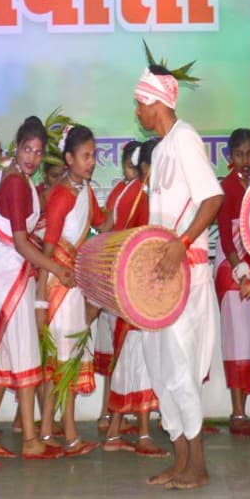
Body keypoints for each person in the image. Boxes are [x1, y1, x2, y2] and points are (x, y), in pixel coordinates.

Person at [133, 45, 223, 489]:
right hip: (162, 281)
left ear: (155, 101)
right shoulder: (163, 147)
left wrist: (181, 243)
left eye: (139, 103)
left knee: (182, 368)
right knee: (162, 368)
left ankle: (198, 466)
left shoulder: (185, 138)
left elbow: (213, 198)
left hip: (187, 275)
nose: (137, 111)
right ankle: (181, 460)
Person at [0, 116, 75, 460]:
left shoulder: (11, 175)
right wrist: (57, 268)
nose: (32, 157)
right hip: (10, 277)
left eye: (38, 151)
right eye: (27, 149)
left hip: (3, 272)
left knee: (6, 359)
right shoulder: (16, 183)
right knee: (23, 357)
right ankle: (31, 440)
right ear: (16, 147)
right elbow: (20, 243)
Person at [35, 124, 103, 457]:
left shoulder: (85, 190)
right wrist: (40, 301)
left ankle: (49, 431)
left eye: (93, 155)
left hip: (73, 286)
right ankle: (70, 434)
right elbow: (46, 253)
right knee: (63, 362)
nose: (91, 162)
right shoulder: (62, 195)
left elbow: (103, 224)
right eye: (85, 156)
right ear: (69, 159)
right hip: (58, 287)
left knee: (64, 362)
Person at [103, 138, 165, 458]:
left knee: (128, 357)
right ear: (149, 166)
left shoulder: (128, 192)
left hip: (126, 284)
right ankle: (142, 434)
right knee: (139, 358)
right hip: (139, 286)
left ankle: (114, 431)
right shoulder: (144, 195)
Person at [216, 128, 250, 436]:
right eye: (239, 155)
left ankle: (243, 412)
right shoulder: (225, 188)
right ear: (230, 156)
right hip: (231, 271)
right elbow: (226, 238)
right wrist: (239, 269)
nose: (245, 161)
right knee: (236, 340)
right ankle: (237, 414)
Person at [94, 139, 147, 429]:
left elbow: (104, 226)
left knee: (116, 350)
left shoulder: (119, 190)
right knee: (125, 351)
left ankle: (108, 415)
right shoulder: (140, 193)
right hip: (127, 277)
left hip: (110, 273)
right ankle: (117, 418)